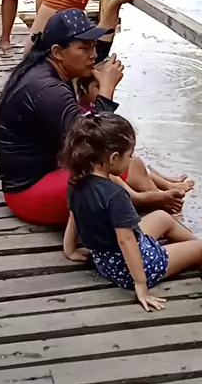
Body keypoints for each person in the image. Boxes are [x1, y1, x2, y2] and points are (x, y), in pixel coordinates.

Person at [0, 0, 186, 226]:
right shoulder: (48, 89)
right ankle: (152, 213)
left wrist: (114, 4)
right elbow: (95, 139)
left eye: (91, 46)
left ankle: (162, 210)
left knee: (131, 165)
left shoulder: (47, 62)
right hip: (30, 193)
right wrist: (106, 90)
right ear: (58, 51)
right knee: (106, 169)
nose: (92, 55)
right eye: (84, 48)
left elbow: (98, 50)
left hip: (50, 174)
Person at [62, 112, 202, 311]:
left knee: (162, 217)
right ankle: (193, 252)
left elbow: (73, 215)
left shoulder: (76, 181)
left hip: (105, 261)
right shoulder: (115, 195)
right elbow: (126, 240)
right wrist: (141, 285)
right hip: (134, 268)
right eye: (129, 156)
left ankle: (188, 250)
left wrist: (70, 250)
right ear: (114, 158)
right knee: (200, 248)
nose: (131, 161)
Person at [77, 72, 195, 193]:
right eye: (98, 86)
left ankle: (165, 184)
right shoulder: (82, 113)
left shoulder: (86, 108)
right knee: (135, 164)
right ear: (84, 88)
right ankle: (159, 194)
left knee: (130, 154)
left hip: (100, 159)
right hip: (101, 162)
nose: (103, 89)